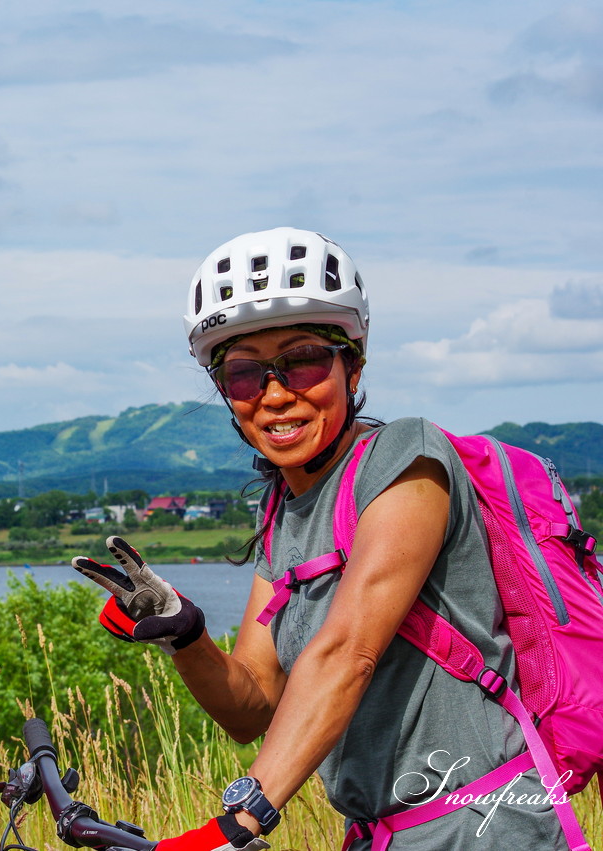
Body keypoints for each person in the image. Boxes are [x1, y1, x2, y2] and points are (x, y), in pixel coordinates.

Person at [72, 228, 570, 850]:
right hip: (375, 835)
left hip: (483, 827)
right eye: (245, 373)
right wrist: (185, 630)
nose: (276, 394)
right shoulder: (284, 515)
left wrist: (239, 820)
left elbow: (347, 651)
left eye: (303, 360)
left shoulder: (407, 458)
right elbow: (251, 706)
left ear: (352, 364)